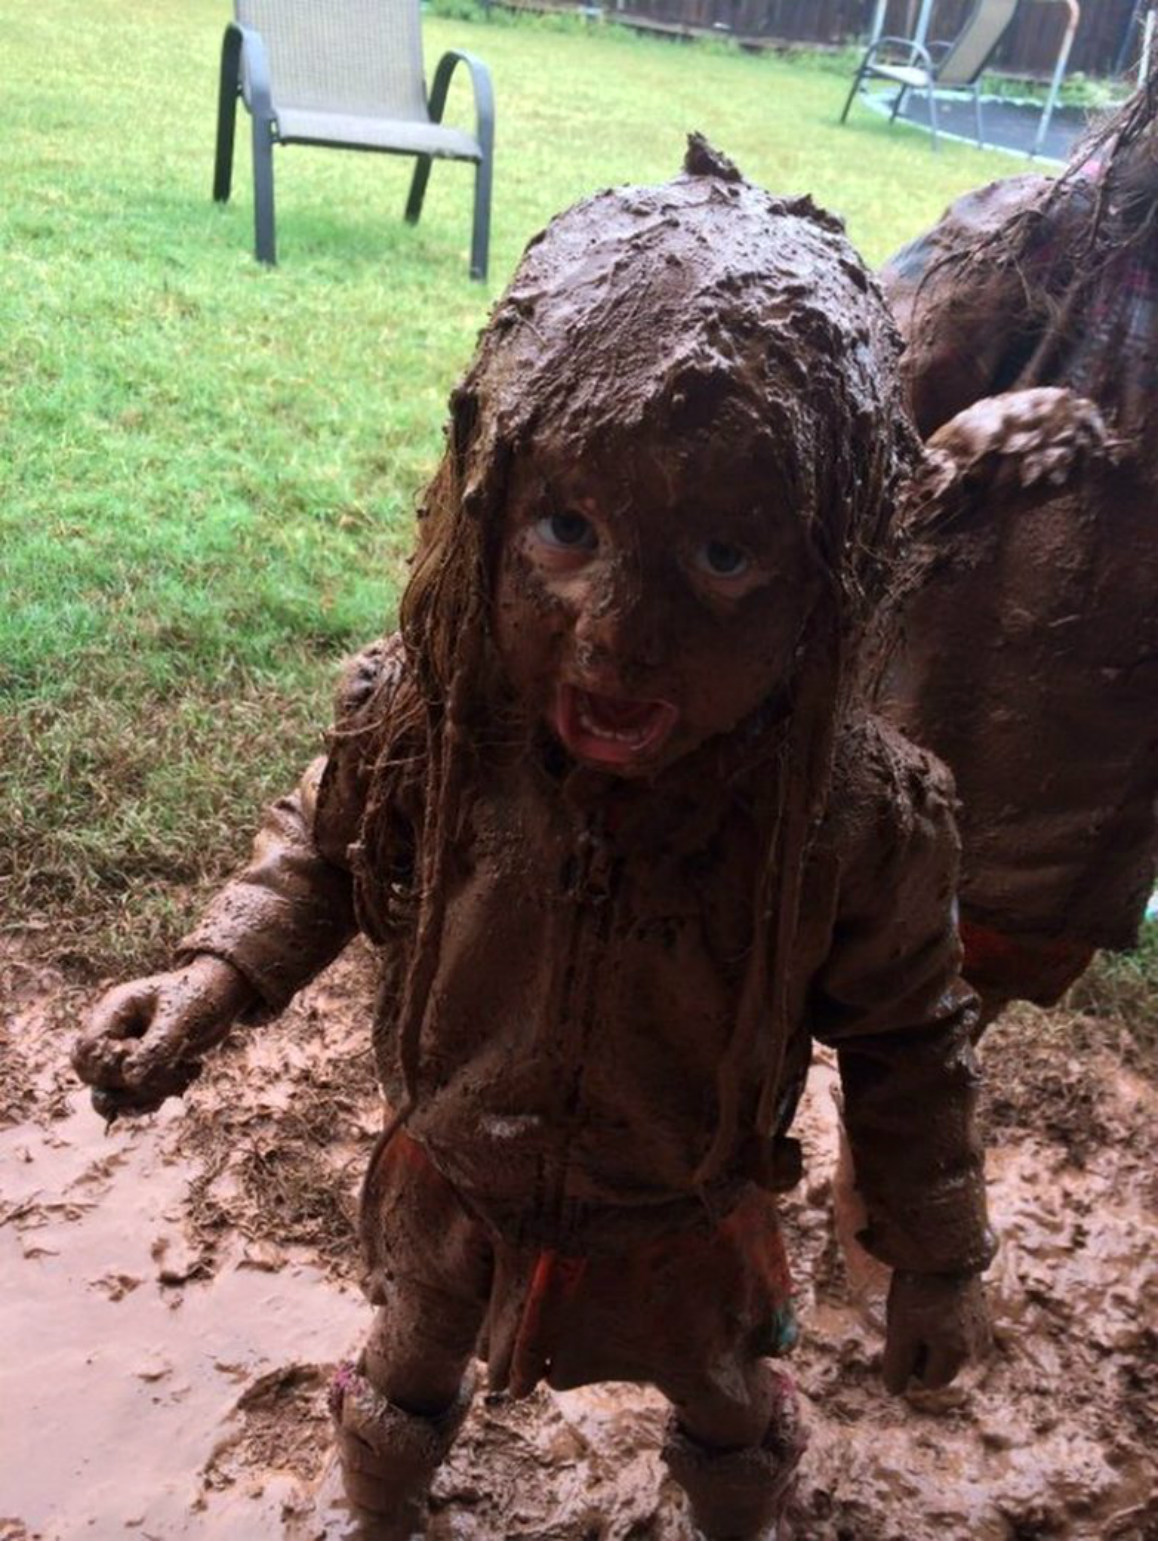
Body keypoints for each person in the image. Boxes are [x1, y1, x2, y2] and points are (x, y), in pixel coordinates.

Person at [73, 140, 995, 1541]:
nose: (617, 637)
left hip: (686, 1216)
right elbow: (318, 849)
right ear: (486, 503)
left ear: (831, 577)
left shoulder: (848, 816)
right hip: (458, 1177)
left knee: (728, 1404)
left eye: (724, 559)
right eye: (566, 526)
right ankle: (385, 1516)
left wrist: (935, 1255)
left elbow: (909, 1042)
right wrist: (210, 977)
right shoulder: (436, 722)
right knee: (403, 1373)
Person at [878, 75, 1158, 1030]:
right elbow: (841, 423)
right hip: (897, 770)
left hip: (1063, 831)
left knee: (931, 1046)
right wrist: (951, 456)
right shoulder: (1036, 242)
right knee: (784, 1007)